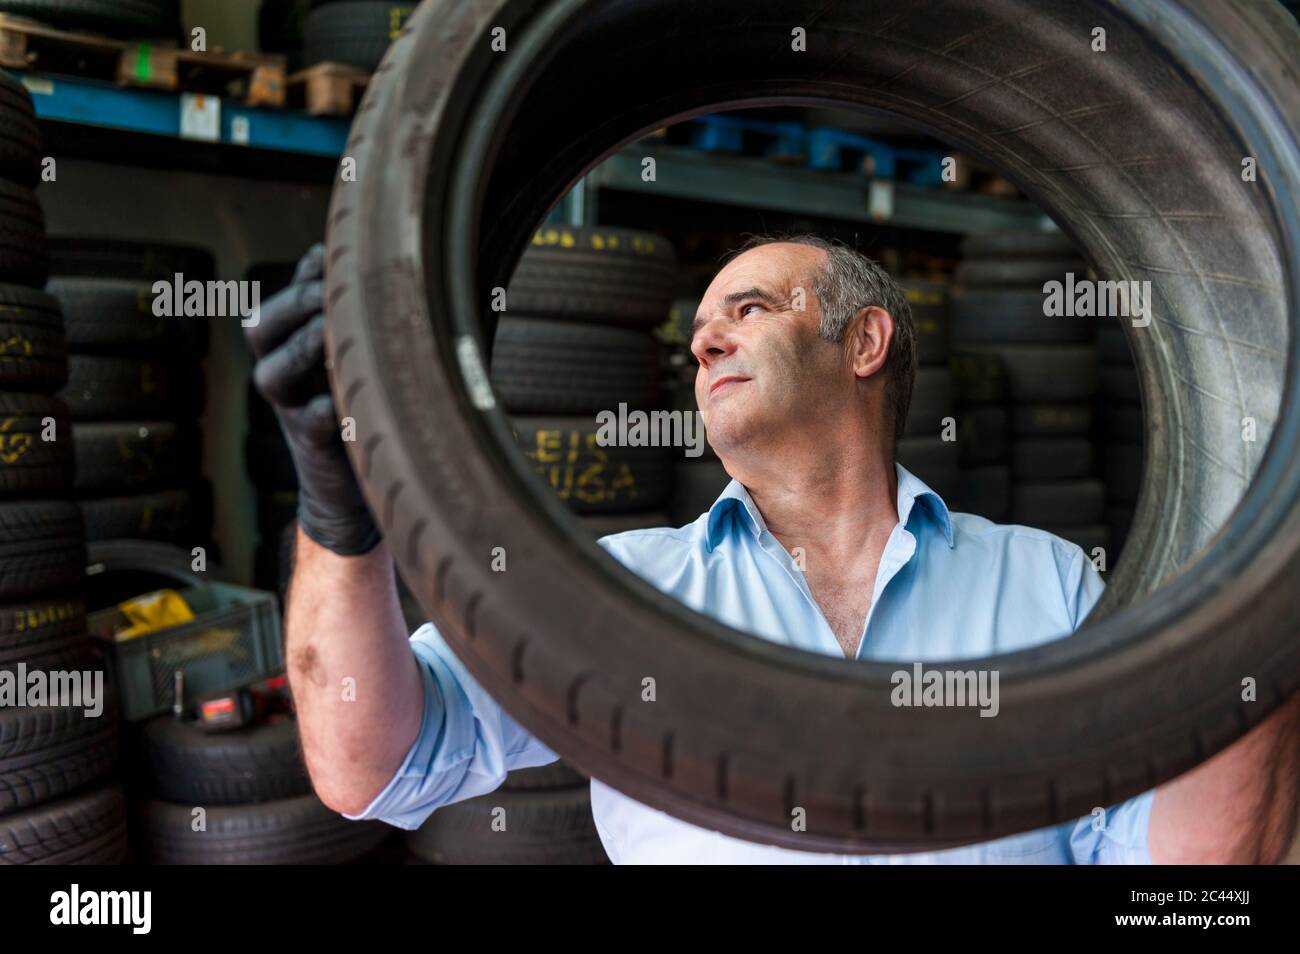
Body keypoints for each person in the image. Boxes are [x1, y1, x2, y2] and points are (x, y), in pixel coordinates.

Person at [247, 235, 1299, 864]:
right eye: (696, 326)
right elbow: (370, 766)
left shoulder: (1048, 585)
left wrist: (1272, 586)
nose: (701, 341)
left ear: (865, 342)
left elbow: (1180, 872)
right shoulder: (620, 592)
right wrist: (342, 520)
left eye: (744, 310)